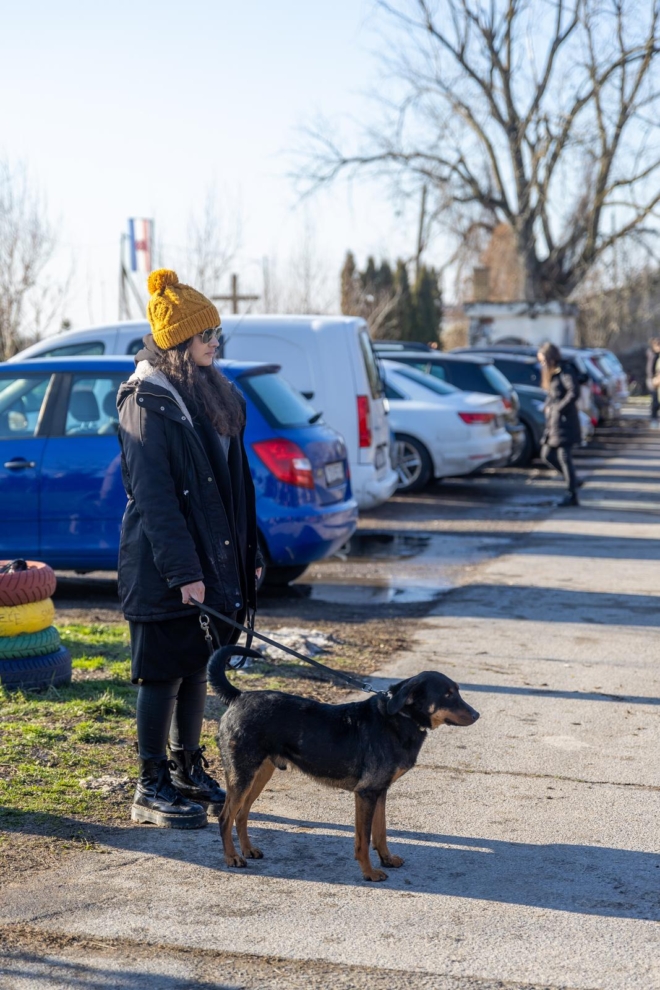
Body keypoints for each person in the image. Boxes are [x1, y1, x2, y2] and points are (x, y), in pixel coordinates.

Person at [117, 268, 262, 829]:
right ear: (179, 341)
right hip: (163, 567)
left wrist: (248, 555)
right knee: (161, 674)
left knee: (196, 668)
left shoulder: (208, 392)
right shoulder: (146, 401)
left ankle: (184, 769)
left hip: (211, 564)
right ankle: (149, 784)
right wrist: (184, 571)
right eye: (206, 335)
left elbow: (234, 488)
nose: (214, 343)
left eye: (216, 334)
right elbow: (154, 499)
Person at [538, 342, 581, 507]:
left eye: (542, 361)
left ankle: (572, 494)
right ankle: (573, 481)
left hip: (565, 422)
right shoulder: (554, 373)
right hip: (554, 423)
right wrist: (547, 405)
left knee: (564, 457)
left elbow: (573, 392)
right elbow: (553, 394)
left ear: (550, 359)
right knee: (547, 454)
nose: (541, 365)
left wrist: (558, 409)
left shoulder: (565, 370)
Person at [645, 338, 660, 428]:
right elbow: (651, 369)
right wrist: (654, 378)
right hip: (653, 379)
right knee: (655, 400)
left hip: (654, 379)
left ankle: (654, 420)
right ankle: (654, 420)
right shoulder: (653, 355)